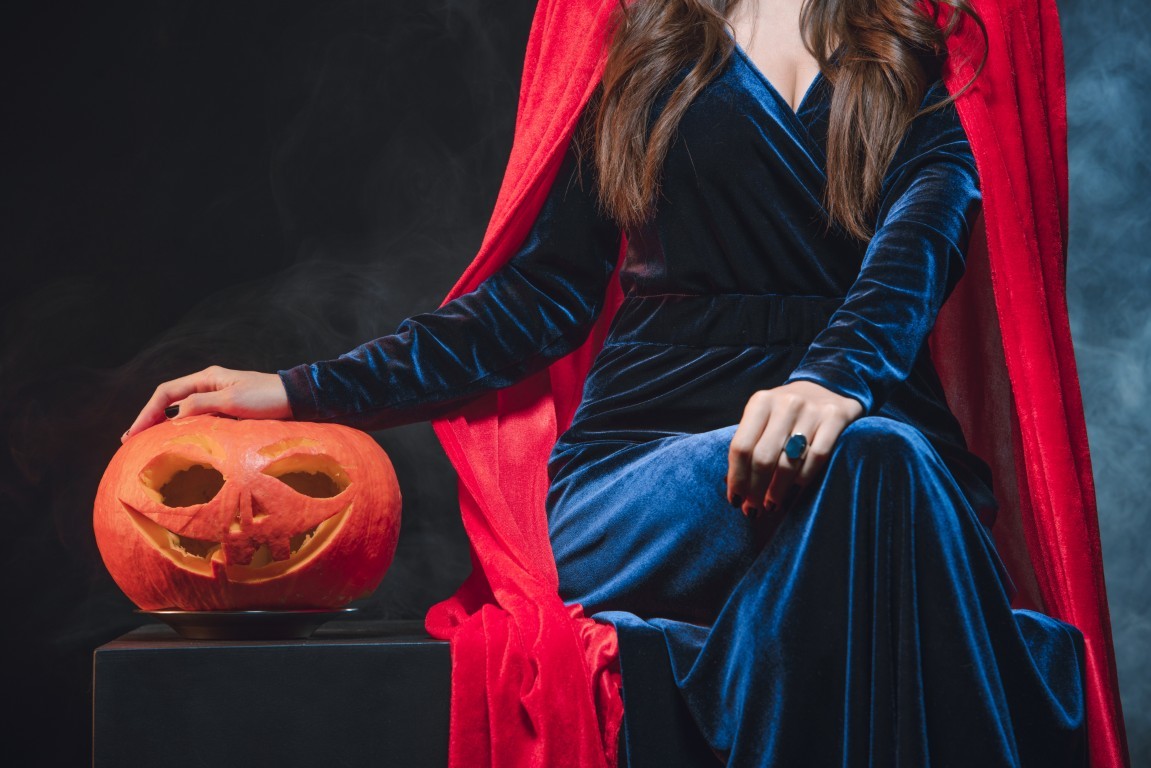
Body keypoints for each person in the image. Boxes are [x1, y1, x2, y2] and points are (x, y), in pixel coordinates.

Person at [123, 0, 1129, 766]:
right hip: (649, 474)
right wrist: (303, 390)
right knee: (873, 474)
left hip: (869, 447)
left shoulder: (909, 42)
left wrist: (834, 377)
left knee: (872, 462)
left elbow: (922, 241)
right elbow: (534, 302)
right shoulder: (637, 41)